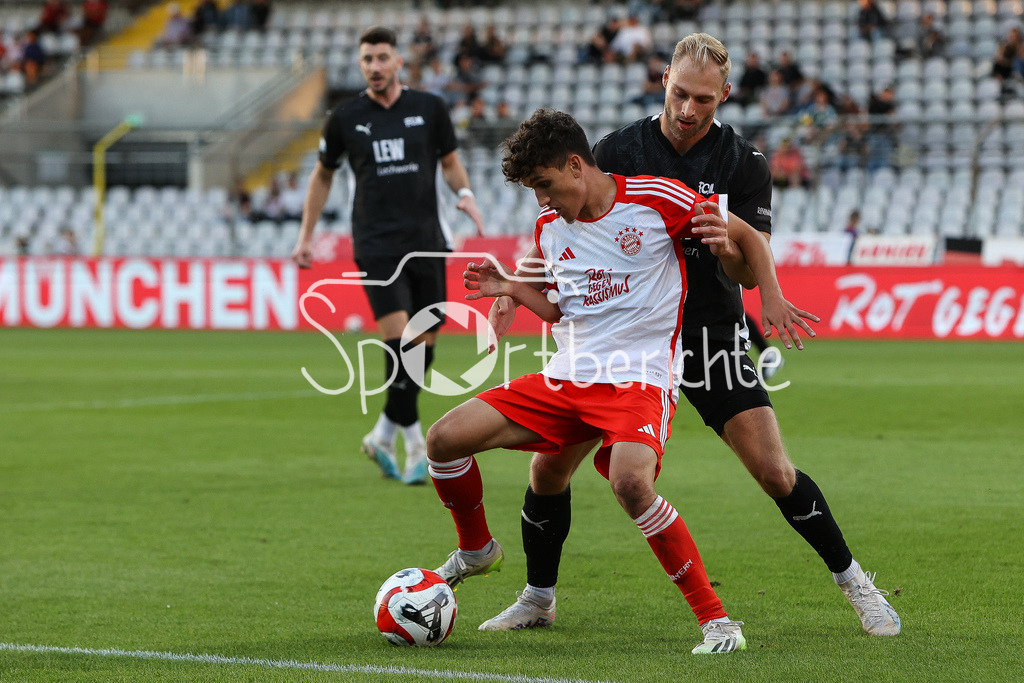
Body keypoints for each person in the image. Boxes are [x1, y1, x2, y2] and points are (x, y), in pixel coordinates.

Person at [479, 33, 901, 639]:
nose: (687, 109)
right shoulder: (618, 149)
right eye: (679, 93)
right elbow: (566, 226)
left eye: (703, 99)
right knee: (547, 472)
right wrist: (515, 286)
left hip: (708, 331)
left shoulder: (744, 165)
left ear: (724, 95)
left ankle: (855, 582)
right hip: (623, 339)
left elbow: (739, 266)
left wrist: (739, 258)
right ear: (663, 83)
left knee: (775, 472)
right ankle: (537, 599)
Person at [428, 107, 804, 654]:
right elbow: (559, 312)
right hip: (568, 376)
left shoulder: (657, 199)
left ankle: (718, 623)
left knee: (630, 483)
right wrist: (507, 287)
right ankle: (478, 550)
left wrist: (766, 290)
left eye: (546, 185)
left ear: (577, 166)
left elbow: (743, 231)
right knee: (442, 440)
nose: (542, 201)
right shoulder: (550, 228)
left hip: (639, 378)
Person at [291, 26, 484, 485]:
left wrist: (467, 193)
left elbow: (451, 162)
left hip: (427, 240)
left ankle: (382, 432)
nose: (375, 66)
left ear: (399, 61)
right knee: (401, 340)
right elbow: (322, 176)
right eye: (367, 60)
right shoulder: (344, 118)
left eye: (382, 57)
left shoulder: (429, 108)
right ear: (361, 66)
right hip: (377, 243)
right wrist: (306, 236)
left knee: (425, 346)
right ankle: (416, 442)